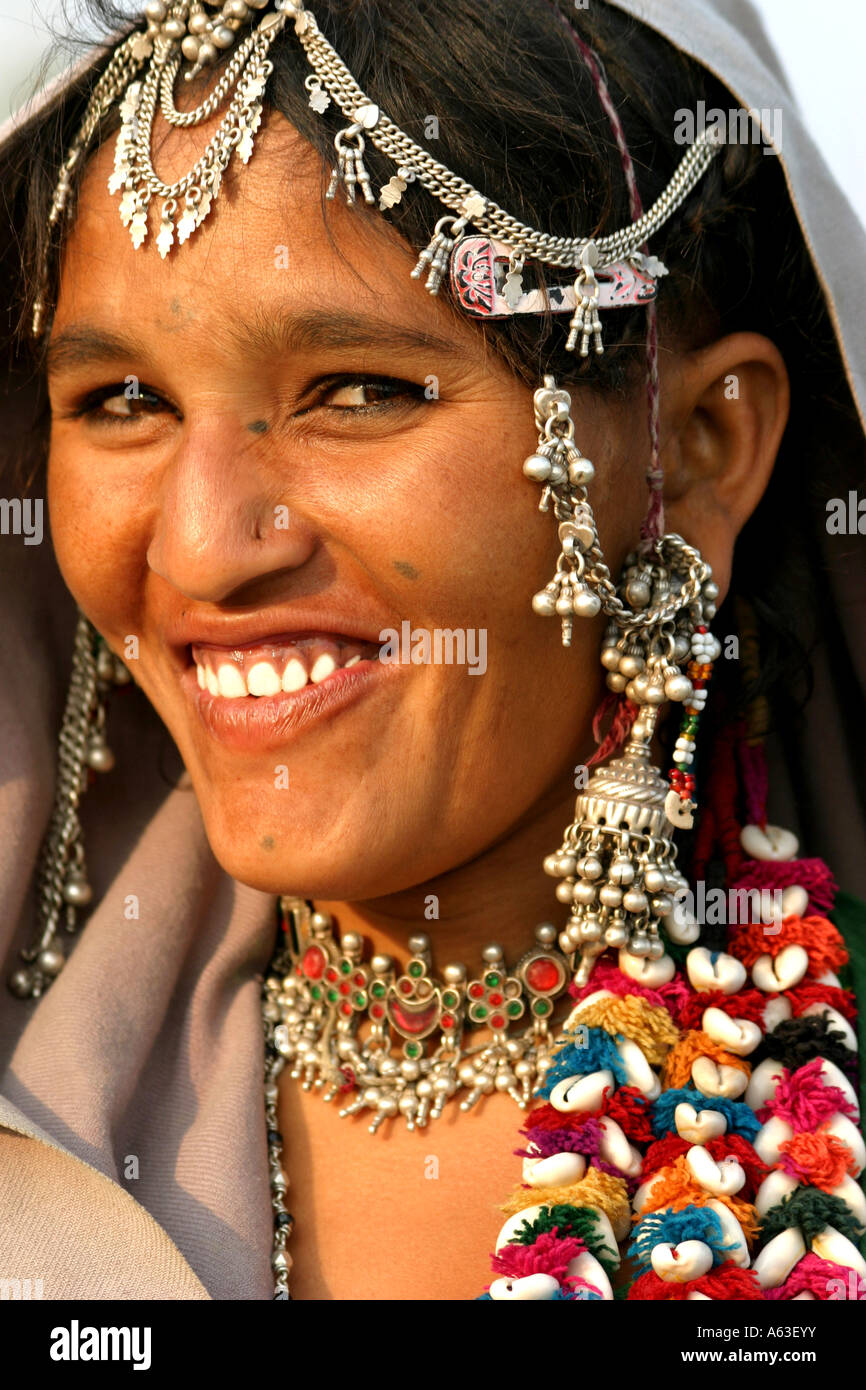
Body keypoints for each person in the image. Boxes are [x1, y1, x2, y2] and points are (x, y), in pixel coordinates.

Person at [0, 0, 863, 1302]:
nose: (198, 549)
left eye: (356, 390)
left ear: (689, 452)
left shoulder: (815, 1127)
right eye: (123, 402)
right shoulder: (36, 1166)